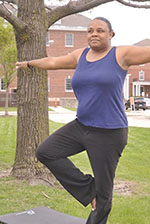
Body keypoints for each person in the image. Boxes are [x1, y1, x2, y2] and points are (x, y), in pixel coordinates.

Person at [16, 17, 150, 224]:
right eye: (90, 31)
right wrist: (29, 64)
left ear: (110, 35)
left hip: (109, 133)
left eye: (100, 30)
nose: (94, 34)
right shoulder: (81, 55)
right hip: (81, 126)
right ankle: (89, 189)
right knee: (45, 151)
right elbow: (53, 61)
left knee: (104, 198)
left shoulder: (121, 54)